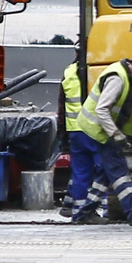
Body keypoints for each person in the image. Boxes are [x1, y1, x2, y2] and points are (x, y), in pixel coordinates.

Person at [71, 50, 132, 225]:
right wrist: (115, 134)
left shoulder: (125, 76)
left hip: (100, 130)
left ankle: (84, 213)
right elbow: (101, 110)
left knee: (106, 173)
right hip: (98, 130)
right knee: (118, 170)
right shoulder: (118, 79)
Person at [58, 57, 86, 220]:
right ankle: (100, 209)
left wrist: (62, 133)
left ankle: (70, 205)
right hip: (92, 128)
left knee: (80, 170)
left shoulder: (69, 71)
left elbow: (61, 105)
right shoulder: (96, 70)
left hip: (73, 128)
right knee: (97, 169)